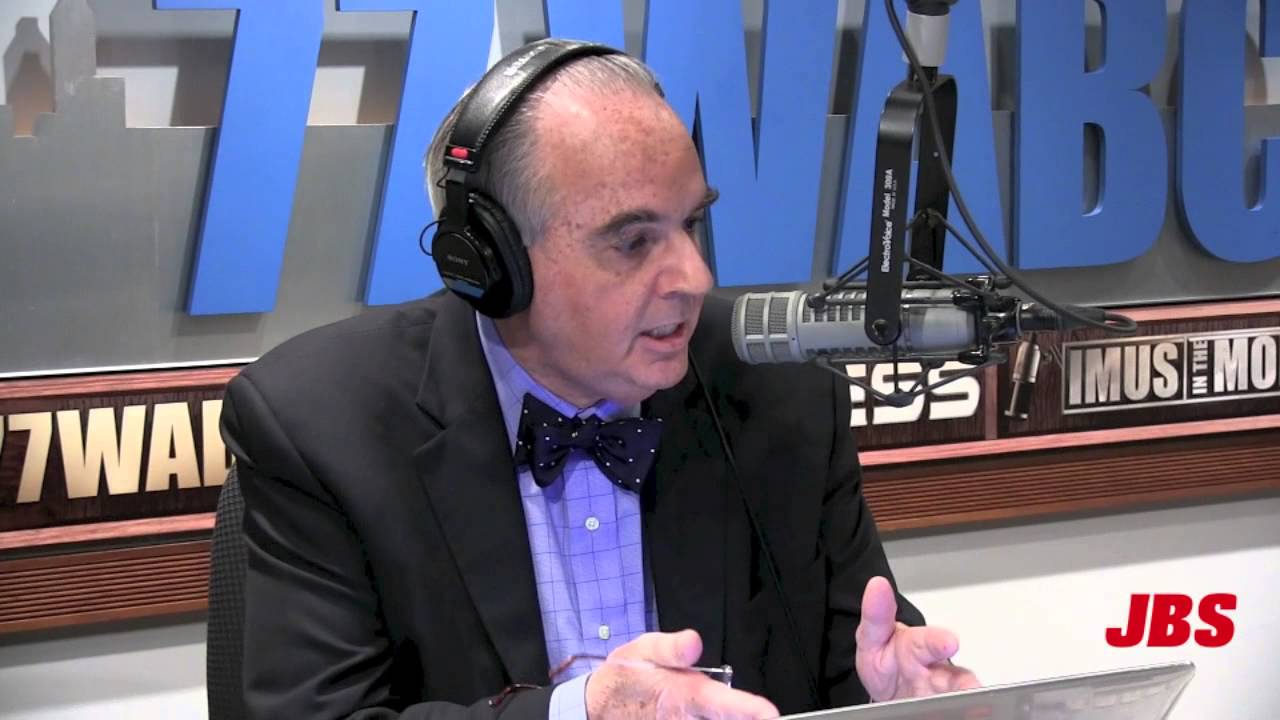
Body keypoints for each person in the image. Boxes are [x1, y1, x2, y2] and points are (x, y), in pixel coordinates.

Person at [219, 38, 979, 719]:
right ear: (491, 264)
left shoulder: (778, 394)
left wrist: (893, 700)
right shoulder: (323, 428)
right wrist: (579, 714)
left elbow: (852, 659)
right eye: (633, 241)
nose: (694, 277)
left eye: (691, 224)